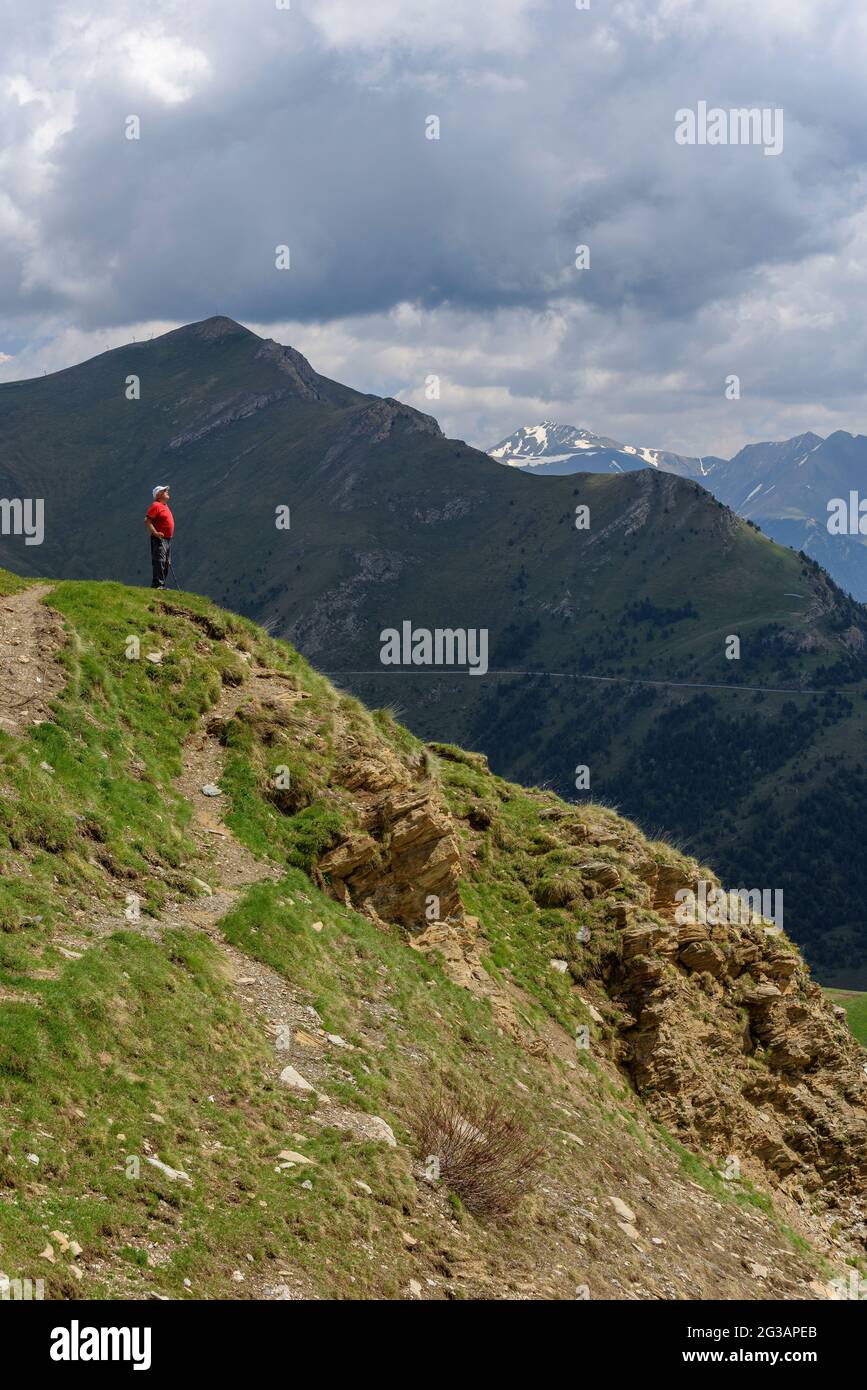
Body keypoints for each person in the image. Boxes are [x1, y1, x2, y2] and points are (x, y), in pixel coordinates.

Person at [144, 485, 174, 589]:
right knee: (159, 561)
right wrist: (156, 533)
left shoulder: (164, 506)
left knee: (165, 562)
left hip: (167, 539)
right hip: (159, 539)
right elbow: (147, 521)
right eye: (164, 491)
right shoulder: (156, 505)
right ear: (159, 495)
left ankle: (161, 585)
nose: (167, 491)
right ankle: (158, 585)